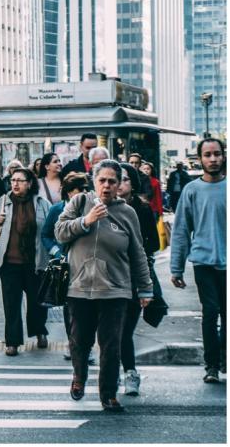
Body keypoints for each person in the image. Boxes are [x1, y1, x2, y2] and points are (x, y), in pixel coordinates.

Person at [55, 160, 153, 413]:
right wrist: (86, 221)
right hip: (79, 287)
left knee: (111, 344)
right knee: (79, 340)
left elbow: (138, 253)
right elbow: (60, 232)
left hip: (115, 289)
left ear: (119, 184)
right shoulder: (79, 202)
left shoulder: (127, 213)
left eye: (112, 181)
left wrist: (145, 288)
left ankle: (108, 394)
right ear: (94, 181)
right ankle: (79, 377)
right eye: (102, 180)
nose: (107, 186)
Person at [171, 138, 227, 383]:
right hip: (203, 262)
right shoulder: (191, 190)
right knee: (210, 312)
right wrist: (176, 268)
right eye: (207, 155)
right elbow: (181, 231)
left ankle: (224, 356)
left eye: (217, 154)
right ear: (200, 159)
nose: (213, 159)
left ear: (223, 156)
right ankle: (211, 365)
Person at [0, 168, 51, 356]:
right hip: (9, 262)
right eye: (13, 180)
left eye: (20, 180)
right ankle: (12, 342)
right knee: (11, 303)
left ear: (29, 183)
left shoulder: (41, 203)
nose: (15, 184)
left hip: (35, 262)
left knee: (37, 302)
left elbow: (50, 228)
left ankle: (39, 331)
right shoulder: (3, 202)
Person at [40, 172, 94, 364]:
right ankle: (73, 344)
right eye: (79, 190)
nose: (84, 193)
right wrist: (56, 252)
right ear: (69, 192)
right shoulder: (57, 209)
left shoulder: (91, 209)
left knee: (89, 307)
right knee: (70, 308)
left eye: (86, 189)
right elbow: (46, 234)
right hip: (66, 267)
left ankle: (86, 346)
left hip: (89, 265)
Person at [117, 163, 161, 396]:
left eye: (124, 179)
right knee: (109, 330)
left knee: (124, 330)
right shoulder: (102, 207)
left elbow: (154, 243)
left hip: (134, 277)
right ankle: (112, 371)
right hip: (108, 277)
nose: (119, 184)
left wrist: (134, 249)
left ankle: (130, 373)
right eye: (116, 178)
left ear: (133, 184)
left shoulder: (142, 209)